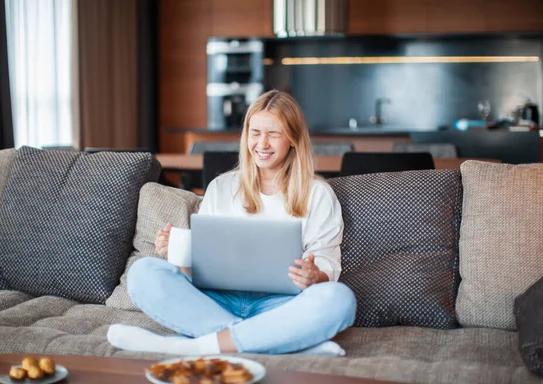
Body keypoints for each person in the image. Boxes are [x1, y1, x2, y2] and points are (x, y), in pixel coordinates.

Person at [107, 90, 356, 356]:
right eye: (255, 132)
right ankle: (274, 340)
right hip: (216, 300)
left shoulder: (318, 193)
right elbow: (199, 271)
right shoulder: (222, 187)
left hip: (281, 305)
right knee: (143, 272)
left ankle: (196, 345)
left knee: (340, 299)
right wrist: (176, 255)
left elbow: (327, 265)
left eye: (273, 134)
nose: (262, 143)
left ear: (293, 139)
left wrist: (313, 276)